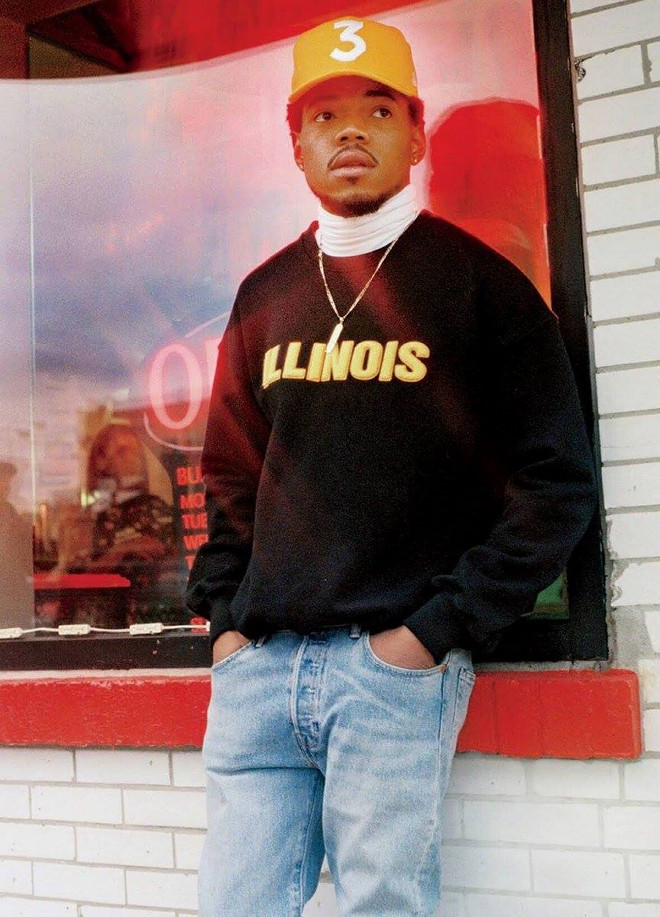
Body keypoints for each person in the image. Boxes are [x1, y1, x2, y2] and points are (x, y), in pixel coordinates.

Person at [187, 17, 597, 917]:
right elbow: (228, 479)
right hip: (261, 669)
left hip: (391, 672)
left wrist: (433, 630)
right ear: (296, 144)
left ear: (415, 136)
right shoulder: (263, 296)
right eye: (325, 114)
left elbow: (556, 483)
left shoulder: (480, 287)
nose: (350, 131)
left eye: (379, 110)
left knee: (382, 906)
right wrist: (225, 625)